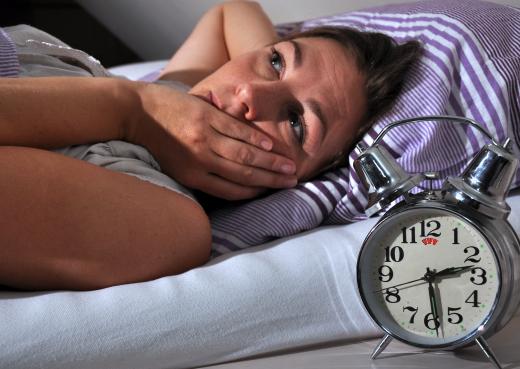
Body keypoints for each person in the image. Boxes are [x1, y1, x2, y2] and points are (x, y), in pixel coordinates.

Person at [0, 1, 421, 290]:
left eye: (295, 122)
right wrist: (153, 106)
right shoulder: (176, 95)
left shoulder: (166, 224)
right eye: (275, 62)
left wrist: (133, 112)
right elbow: (231, 11)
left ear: (296, 180)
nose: (250, 94)